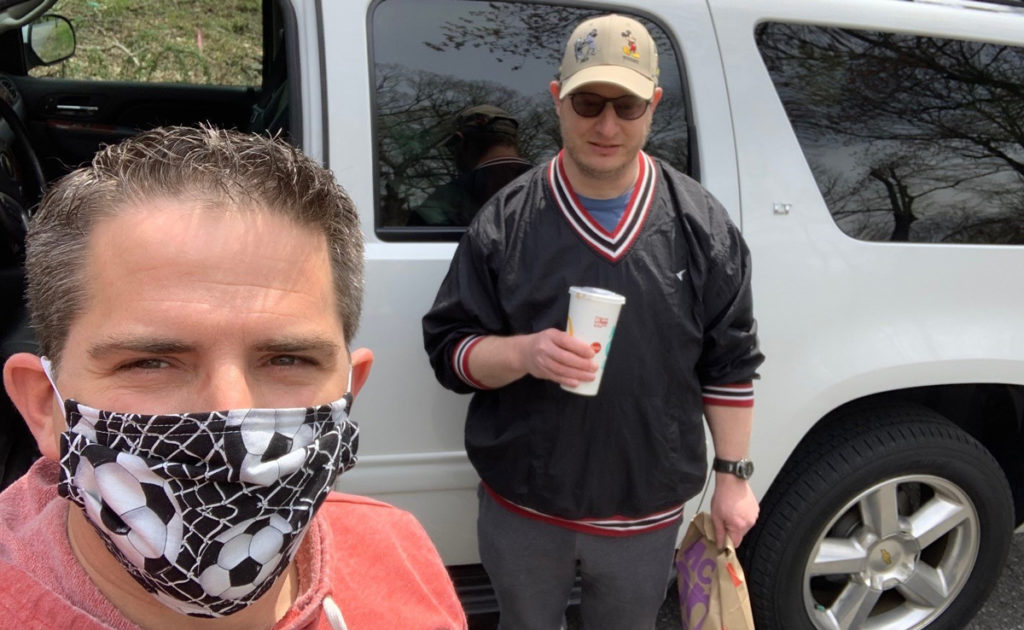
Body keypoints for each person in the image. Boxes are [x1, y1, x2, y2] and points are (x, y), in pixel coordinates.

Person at [0, 126, 467, 630]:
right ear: (44, 406)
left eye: (287, 359)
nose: (231, 414)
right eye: (150, 363)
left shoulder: (397, 549)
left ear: (350, 390)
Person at [422, 13, 764, 630]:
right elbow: (451, 351)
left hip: (645, 508)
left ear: (653, 105)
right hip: (523, 505)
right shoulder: (506, 221)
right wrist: (524, 353)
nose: (607, 126)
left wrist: (733, 478)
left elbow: (731, 361)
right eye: (588, 103)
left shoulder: (701, 224)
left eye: (626, 106)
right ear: (558, 99)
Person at [409, 105, 532, 226]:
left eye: (453, 148)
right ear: (515, 141)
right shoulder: (542, 184)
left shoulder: (448, 199)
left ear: (462, 142)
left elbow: (416, 236)